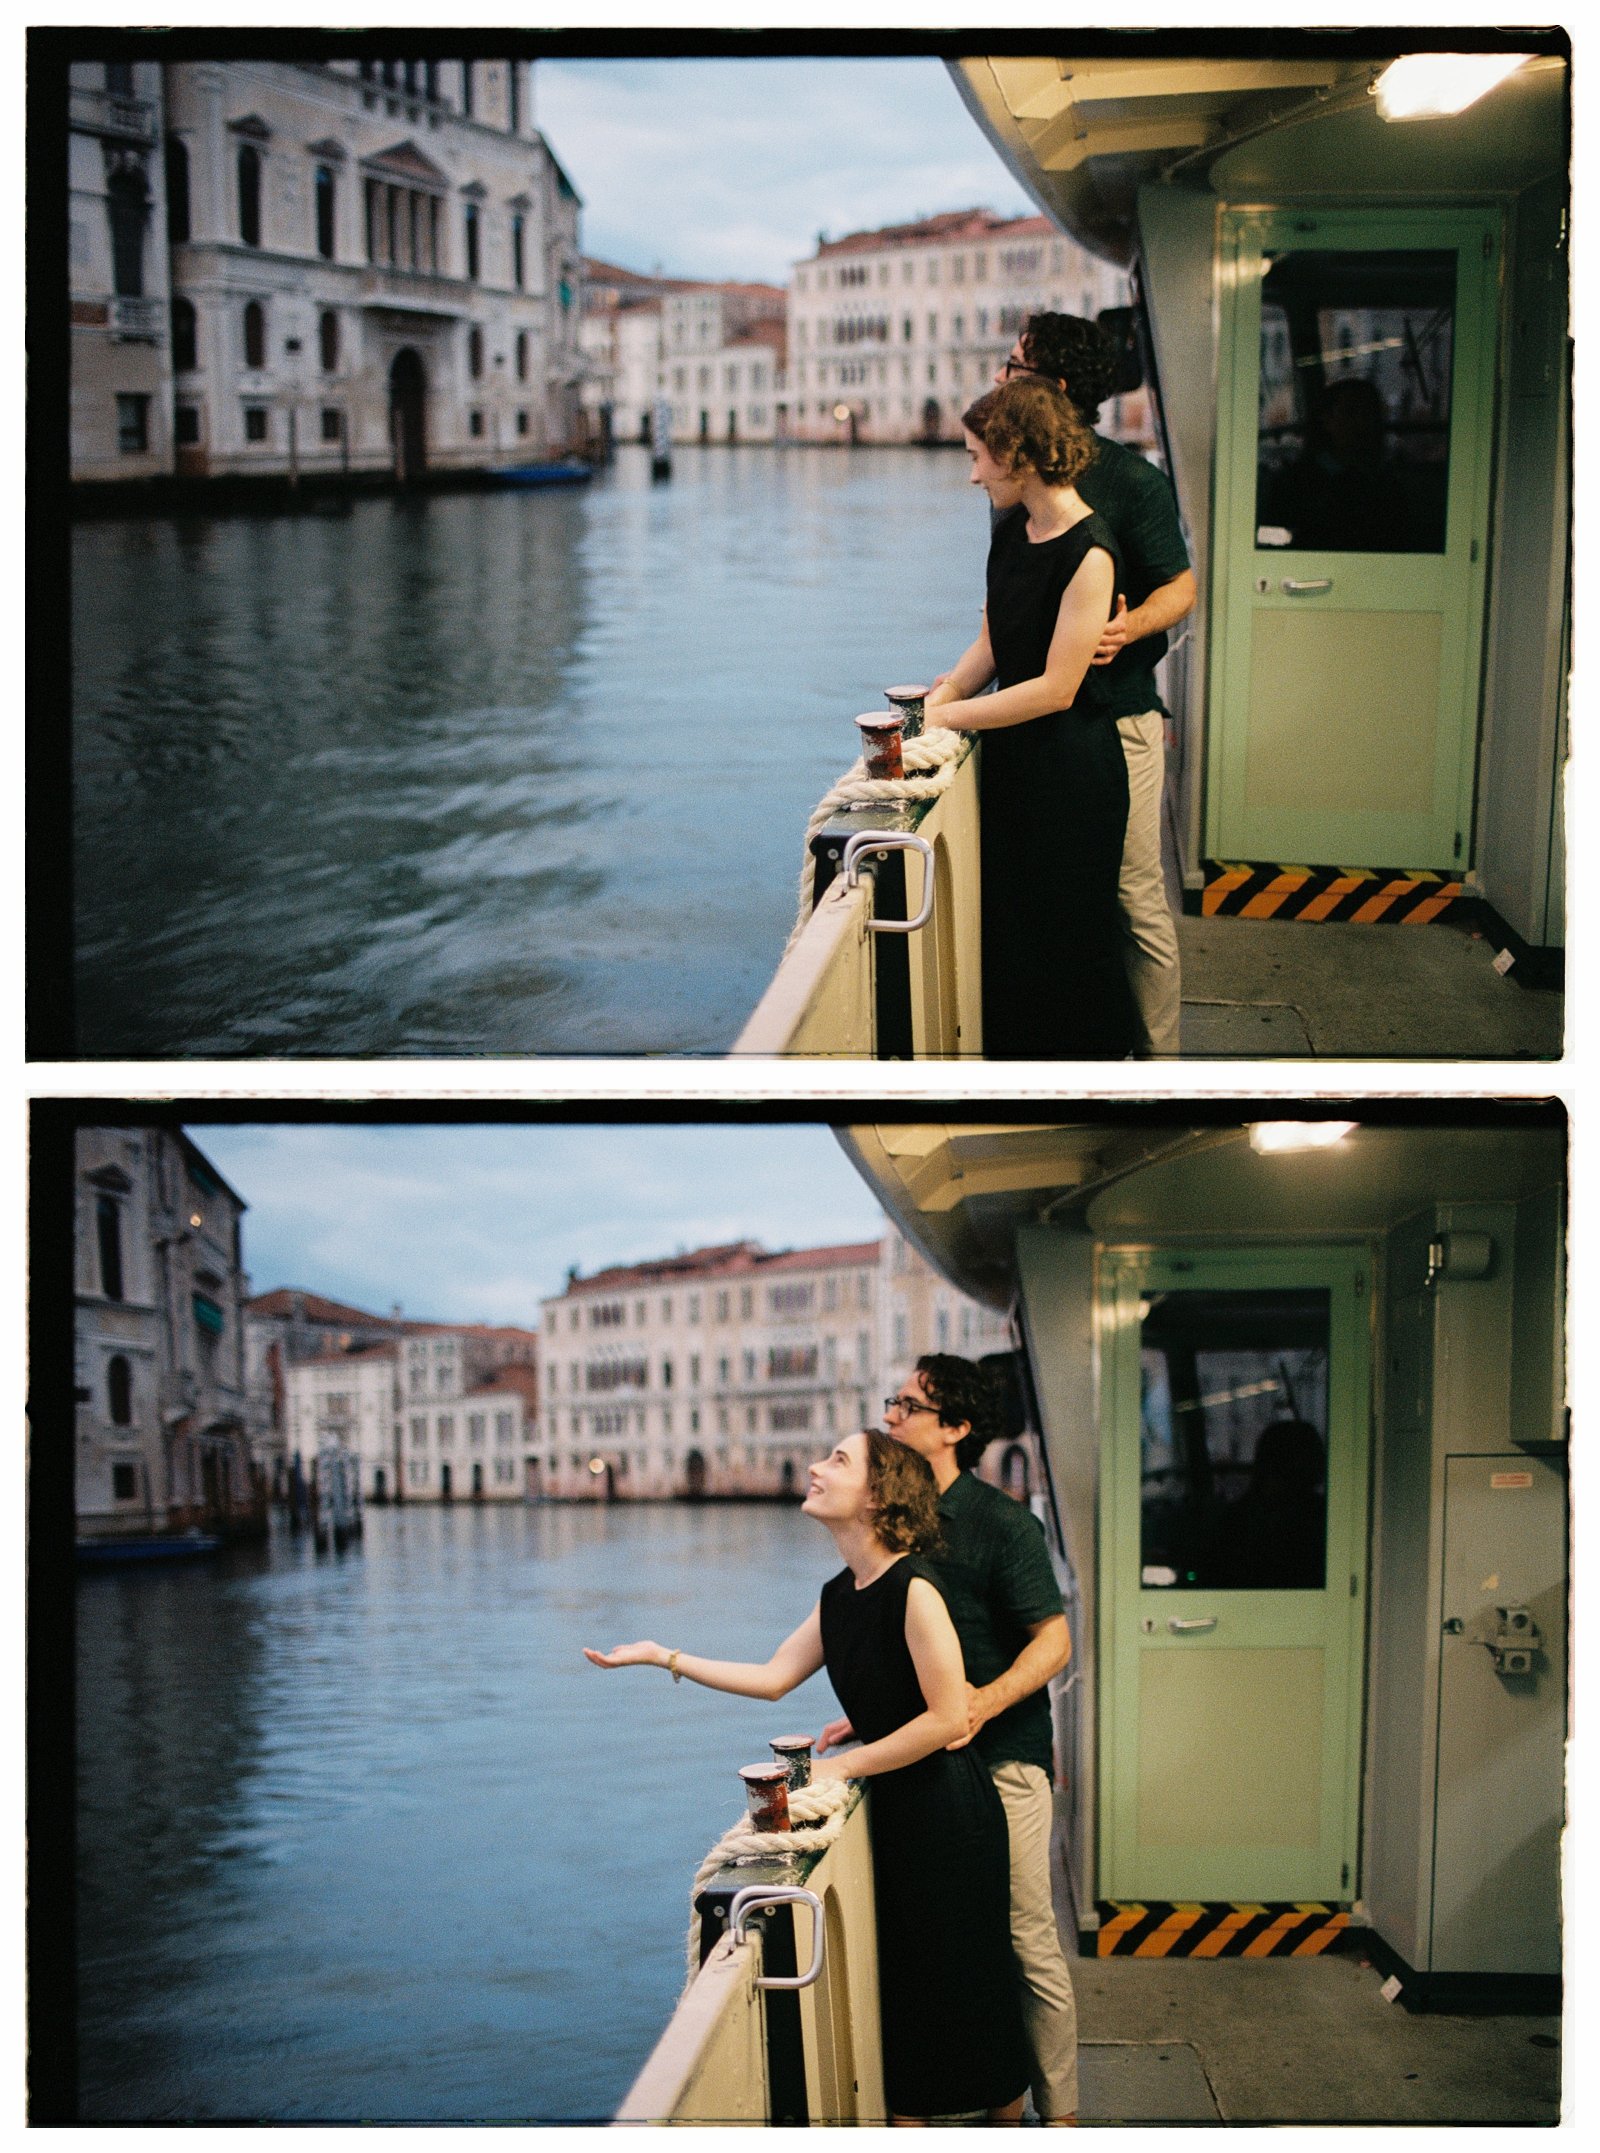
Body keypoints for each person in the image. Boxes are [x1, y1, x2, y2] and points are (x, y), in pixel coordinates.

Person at [584, 1426, 1031, 2126]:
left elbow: (948, 1717)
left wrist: (845, 1762)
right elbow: (771, 1678)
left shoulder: (915, 1587)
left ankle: (1012, 2122)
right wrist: (661, 1654)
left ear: (878, 1496)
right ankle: (913, 2118)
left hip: (949, 1814)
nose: (819, 1468)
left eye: (839, 1460)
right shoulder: (839, 1594)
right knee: (909, 1992)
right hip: (899, 1807)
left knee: (969, 1982)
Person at [822, 1356, 1079, 2125]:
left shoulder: (1001, 1523)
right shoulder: (894, 1517)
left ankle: (1060, 2116)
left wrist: (982, 1703)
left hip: (1002, 1759)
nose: (891, 1415)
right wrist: (873, 1715)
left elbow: (1055, 1641)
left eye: (908, 1405)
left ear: (958, 1428)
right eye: (891, 1402)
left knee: (1024, 1934)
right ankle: (962, 2097)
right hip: (929, 1765)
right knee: (936, 1940)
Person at [997, 315, 1196, 1058]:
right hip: (1043, 731)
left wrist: (1131, 626)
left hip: (1118, 722)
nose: (998, 379)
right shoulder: (1018, 475)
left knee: (1133, 896)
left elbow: (1181, 587)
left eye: (1013, 368)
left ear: (1058, 387)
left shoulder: (1132, 482)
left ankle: (1161, 1068)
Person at [926, 378, 1139, 1060]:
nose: (972, 474)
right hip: (1017, 765)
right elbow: (993, 643)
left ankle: (1091, 1096)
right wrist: (945, 690)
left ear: (1017, 454)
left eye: (978, 458)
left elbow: (1055, 688)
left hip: (1072, 774)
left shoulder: (1091, 551)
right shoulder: (1013, 532)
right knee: (1015, 936)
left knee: (1071, 939)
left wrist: (953, 715)